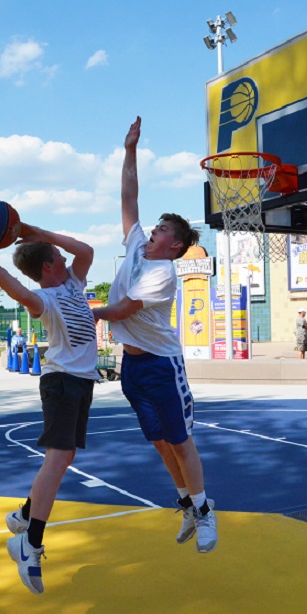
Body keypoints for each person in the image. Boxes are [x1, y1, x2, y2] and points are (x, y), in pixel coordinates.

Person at [92, 116, 218, 554]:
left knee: (181, 442)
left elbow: (124, 309)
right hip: (133, 365)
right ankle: (186, 503)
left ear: (175, 245)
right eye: (157, 226)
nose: (155, 230)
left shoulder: (164, 273)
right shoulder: (135, 245)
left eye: (163, 230)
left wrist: (91, 312)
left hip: (163, 365)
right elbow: (129, 195)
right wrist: (129, 149)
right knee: (160, 442)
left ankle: (205, 513)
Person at [0, 220, 96, 595]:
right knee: (57, 459)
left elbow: (86, 250)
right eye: (58, 254)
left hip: (81, 381)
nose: (63, 254)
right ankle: (30, 542)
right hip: (61, 383)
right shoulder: (47, 300)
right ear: (48, 266)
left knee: (66, 455)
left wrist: (34, 230)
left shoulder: (73, 283)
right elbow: (16, 289)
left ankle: (24, 514)